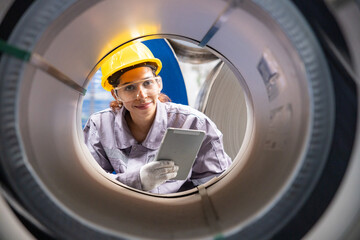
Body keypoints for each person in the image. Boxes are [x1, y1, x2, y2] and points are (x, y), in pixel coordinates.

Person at [83, 42, 231, 194]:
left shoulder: (193, 123)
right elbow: (87, 181)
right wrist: (138, 180)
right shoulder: (100, 125)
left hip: (180, 212)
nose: (142, 95)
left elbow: (217, 187)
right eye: (129, 87)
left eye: (147, 83)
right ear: (116, 94)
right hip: (124, 210)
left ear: (158, 83)